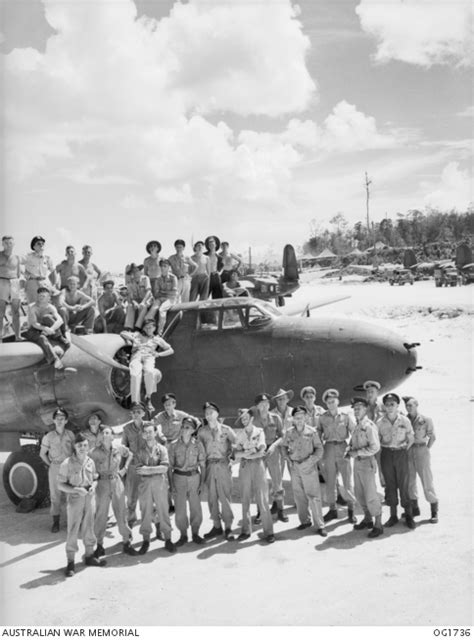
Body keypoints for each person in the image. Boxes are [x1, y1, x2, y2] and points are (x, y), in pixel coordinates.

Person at [274, 406, 327, 537]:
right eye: (296, 418)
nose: (299, 420)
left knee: (314, 496)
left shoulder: (312, 432)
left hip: (308, 466)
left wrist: (311, 461)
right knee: (299, 496)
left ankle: (320, 525)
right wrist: (287, 458)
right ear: (293, 419)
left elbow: (319, 449)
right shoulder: (289, 433)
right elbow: (283, 446)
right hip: (295, 467)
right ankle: (305, 521)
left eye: (301, 417)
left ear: (306, 418)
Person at [57, 432, 105, 577]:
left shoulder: (90, 461)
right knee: (73, 529)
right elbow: (60, 485)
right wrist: (75, 489)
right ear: (74, 446)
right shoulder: (67, 463)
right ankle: (70, 561)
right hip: (75, 498)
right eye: (79, 445)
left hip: (89, 497)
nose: (82, 448)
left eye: (85, 445)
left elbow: (96, 478)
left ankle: (89, 556)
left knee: (89, 526)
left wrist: (93, 486)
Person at [89, 426, 138, 557]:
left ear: (112, 436)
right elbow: (87, 465)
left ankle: (127, 542)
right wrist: (93, 478)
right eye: (103, 433)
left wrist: (125, 468)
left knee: (121, 512)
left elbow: (130, 454)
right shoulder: (94, 452)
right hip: (102, 484)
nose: (105, 435)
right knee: (101, 514)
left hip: (116, 482)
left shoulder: (118, 448)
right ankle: (99, 545)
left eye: (108, 433)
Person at [233, 409, 275, 543]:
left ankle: (269, 532)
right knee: (245, 498)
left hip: (258, 466)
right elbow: (235, 454)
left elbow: (262, 451)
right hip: (245, 466)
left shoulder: (260, 432)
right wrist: (247, 454)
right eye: (242, 419)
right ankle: (245, 530)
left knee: (262, 498)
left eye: (246, 418)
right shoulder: (239, 435)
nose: (244, 420)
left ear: (251, 418)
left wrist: (245, 454)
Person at [197, 401, 237, 540]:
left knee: (225, 496)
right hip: (209, 466)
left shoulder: (226, 429)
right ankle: (216, 526)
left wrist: (233, 460)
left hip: (223, 466)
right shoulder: (201, 432)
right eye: (206, 413)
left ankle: (228, 527)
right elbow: (200, 451)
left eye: (211, 412)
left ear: (217, 413)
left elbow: (237, 445)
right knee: (212, 497)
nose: (208, 415)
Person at [377, 393, 415, 530]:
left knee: (404, 484)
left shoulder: (404, 421)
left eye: (392, 404)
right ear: (384, 407)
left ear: (397, 405)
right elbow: (378, 442)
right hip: (386, 454)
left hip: (400, 453)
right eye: (387, 405)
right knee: (390, 485)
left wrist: (404, 448)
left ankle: (409, 515)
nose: (390, 407)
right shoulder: (380, 423)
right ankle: (393, 516)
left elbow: (411, 438)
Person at [135, 423, 176, 554]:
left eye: (150, 432)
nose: (148, 434)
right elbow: (139, 470)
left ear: (155, 433)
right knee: (145, 511)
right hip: (145, 485)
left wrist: (148, 469)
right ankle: (145, 540)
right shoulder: (139, 451)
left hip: (160, 484)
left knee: (163, 510)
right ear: (142, 435)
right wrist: (154, 470)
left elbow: (164, 468)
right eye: (145, 432)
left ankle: (168, 539)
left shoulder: (162, 449)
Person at [318, 388, 356, 524]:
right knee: (330, 481)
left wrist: (350, 447)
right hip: (328, 448)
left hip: (342, 447)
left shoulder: (346, 416)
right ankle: (332, 509)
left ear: (338, 401)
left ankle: (351, 510)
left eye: (333, 401)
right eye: (328, 402)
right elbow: (318, 434)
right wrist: (319, 450)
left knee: (347, 480)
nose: (331, 404)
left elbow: (354, 432)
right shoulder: (322, 418)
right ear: (326, 404)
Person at [347, 397, 383, 538]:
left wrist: (358, 452)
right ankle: (367, 519)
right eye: (355, 409)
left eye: (359, 408)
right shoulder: (357, 425)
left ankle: (378, 525)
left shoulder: (369, 426)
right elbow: (353, 442)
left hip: (367, 462)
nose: (356, 411)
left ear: (366, 409)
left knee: (371, 495)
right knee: (360, 493)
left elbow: (375, 447)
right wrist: (349, 450)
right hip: (357, 463)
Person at [120, 319, 174, 411]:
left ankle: (148, 397)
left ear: (154, 328)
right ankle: (135, 402)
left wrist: (158, 354)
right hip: (136, 356)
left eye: (150, 327)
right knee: (135, 374)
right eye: (146, 327)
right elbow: (122, 333)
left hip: (149, 357)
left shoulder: (157, 339)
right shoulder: (138, 334)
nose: (148, 329)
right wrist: (133, 339)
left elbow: (171, 350)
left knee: (149, 372)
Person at [168, 417, 206, 546]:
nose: (184, 429)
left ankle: (195, 533)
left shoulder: (198, 444)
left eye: (188, 427)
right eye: (183, 426)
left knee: (195, 507)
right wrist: (171, 484)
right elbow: (169, 467)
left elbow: (203, 465)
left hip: (194, 478)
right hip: (178, 478)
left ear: (193, 430)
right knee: (180, 508)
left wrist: (202, 483)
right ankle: (183, 535)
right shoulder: (173, 445)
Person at [252, 393, 287, 522]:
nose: (264, 406)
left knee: (277, 482)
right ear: (257, 406)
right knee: (260, 483)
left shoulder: (276, 418)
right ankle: (260, 512)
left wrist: (273, 446)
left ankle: (280, 510)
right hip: (260, 454)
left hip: (273, 452)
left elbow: (283, 436)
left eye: (266, 403)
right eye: (261, 404)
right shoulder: (254, 421)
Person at [153, 392, 190, 513]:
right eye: (165, 405)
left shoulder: (181, 415)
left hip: (179, 448)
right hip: (166, 448)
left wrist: (187, 436)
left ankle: (180, 502)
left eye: (170, 404)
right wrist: (161, 438)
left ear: (174, 404)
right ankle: (169, 504)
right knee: (167, 477)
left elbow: (195, 422)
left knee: (179, 475)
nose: (168, 407)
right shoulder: (161, 416)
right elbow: (151, 425)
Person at [39, 407, 76, 532]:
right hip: (55, 466)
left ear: (66, 421)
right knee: (55, 495)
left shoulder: (70, 435)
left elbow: (75, 451)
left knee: (71, 494)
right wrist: (51, 465)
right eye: (57, 418)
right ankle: (56, 522)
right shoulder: (48, 436)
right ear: (53, 421)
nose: (59, 421)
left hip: (69, 467)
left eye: (62, 418)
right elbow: (42, 454)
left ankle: (73, 521)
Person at [403, 396, 438, 523]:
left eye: (411, 405)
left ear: (417, 405)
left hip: (421, 450)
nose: (408, 407)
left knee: (426, 480)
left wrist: (426, 448)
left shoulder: (425, 420)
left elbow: (432, 436)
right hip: (409, 451)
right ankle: (415, 508)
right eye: (407, 405)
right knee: (410, 481)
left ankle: (434, 510)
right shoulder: (404, 420)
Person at [121, 402, 151, 528]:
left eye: (138, 412)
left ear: (143, 413)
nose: (135, 414)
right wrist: (123, 468)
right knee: (131, 497)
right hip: (133, 467)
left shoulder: (150, 427)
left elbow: (157, 442)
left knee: (149, 496)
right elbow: (124, 447)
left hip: (147, 466)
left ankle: (151, 522)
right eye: (133, 412)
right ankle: (131, 519)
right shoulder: (127, 429)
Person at [25, 286, 70, 369]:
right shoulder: (33, 308)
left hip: (48, 330)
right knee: (42, 338)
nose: (41, 298)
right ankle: (55, 359)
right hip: (34, 331)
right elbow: (34, 324)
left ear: (49, 298)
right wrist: (45, 329)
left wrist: (51, 329)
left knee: (47, 317)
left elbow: (60, 320)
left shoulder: (50, 307)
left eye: (43, 296)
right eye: (39, 296)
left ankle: (60, 338)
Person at [142, 259, 178, 335]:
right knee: (150, 313)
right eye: (161, 266)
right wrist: (163, 293)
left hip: (171, 299)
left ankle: (160, 332)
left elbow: (174, 292)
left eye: (165, 266)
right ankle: (149, 332)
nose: (163, 268)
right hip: (160, 298)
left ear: (168, 267)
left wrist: (163, 292)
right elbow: (156, 293)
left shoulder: (173, 278)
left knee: (162, 310)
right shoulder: (158, 279)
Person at [23, 236, 57, 303]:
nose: (41, 245)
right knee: (33, 305)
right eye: (38, 243)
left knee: (45, 305)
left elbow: (53, 271)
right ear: (34, 246)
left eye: (42, 244)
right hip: (32, 283)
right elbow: (18, 265)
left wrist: (53, 284)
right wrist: (27, 275)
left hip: (44, 283)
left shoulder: (47, 258)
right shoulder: (28, 256)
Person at [0, 235, 22, 341]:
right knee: (1, 311)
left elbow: (18, 273)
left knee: (16, 311)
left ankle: (18, 336)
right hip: (2, 281)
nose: (8, 245)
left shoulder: (17, 257)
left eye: (10, 243)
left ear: (13, 244)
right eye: (6, 243)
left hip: (14, 282)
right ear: (2, 244)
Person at [124, 263, 152, 330]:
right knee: (130, 306)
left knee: (143, 306)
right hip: (136, 300)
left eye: (137, 271)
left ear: (140, 271)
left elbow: (149, 291)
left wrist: (143, 302)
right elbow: (131, 297)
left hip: (147, 299)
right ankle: (129, 327)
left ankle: (138, 328)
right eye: (133, 272)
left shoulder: (145, 279)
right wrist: (134, 302)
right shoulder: (130, 283)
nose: (135, 273)